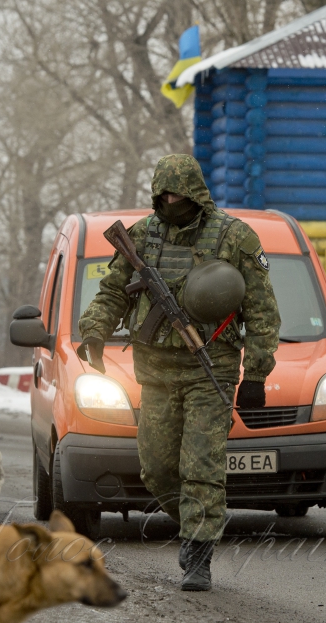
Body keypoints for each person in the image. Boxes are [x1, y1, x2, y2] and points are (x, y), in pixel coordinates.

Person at [77, 153, 281, 591]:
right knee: (155, 468)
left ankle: (198, 551)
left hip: (212, 370)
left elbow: (262, 309)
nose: (171, 200)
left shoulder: (233, 237)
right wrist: (95, 331)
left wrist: (257, 374)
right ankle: (201, 514)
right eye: (163, 193)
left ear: (196, 193)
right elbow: (114, 291)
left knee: (202, 466)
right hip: (155, 370)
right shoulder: (142, 237)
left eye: (178, 193)